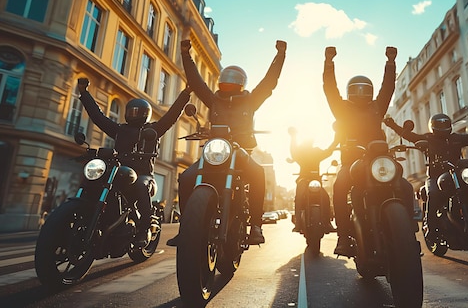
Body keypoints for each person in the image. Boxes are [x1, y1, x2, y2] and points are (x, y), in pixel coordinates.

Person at [167, 39, 286, 246]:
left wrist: (280, 54)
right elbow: (195, 82)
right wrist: (186, 54)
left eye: (234, 80)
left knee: (258, 174)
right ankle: (185, 228)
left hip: (240, 152)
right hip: (214, 154)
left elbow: (269, 82)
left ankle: (256, 225)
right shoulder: (214, 100)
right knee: (186, 178)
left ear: (242, 84)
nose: (228, 83)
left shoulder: (251, 100)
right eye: (226, 80)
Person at [77, 76, 192, 246]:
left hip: (145, 176)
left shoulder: (153, 129)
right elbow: (98, 117)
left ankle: (143, 229)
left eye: (138, 112)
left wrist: (186, 93)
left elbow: (171, 116)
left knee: (139, 184)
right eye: (132, 111)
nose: (134, 114)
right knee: (96, 180)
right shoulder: (119, 129)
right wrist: (84, 93)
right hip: (120, 174)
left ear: (145, 114)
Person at [323, 45, 404, 257]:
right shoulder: (341, 108)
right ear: (350, 92)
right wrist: (329, 62)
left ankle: (407, 228)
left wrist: (390, 62)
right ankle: (343, 237)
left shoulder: (378, 106)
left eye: (365, 88)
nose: (360, 92)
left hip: (379, 162)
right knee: (340, 187)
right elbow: (330, 89)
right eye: (356, 88)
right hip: (352, 163)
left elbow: (388, 87)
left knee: (403, 184)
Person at [384, 113, 468, 242]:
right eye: (439, 124)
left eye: (445, 124)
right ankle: (431, 229)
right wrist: (392, 125)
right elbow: (409, 136)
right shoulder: (428, 138)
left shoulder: (456, 138)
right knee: (434, 194)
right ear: (433, 126)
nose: (442, 126)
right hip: (435, 177)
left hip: (456, 175)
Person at [288, 127, 337, 233]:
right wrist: (293, 137)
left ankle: (327, 222)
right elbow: (294, 152)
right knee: (299, 197)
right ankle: (298, 223)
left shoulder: (315, 151)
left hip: (315, 182)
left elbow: (328, 152)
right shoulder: (302, 152)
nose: (309, 143)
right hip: (304, 180)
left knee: (325, 197)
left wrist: (336, 140)